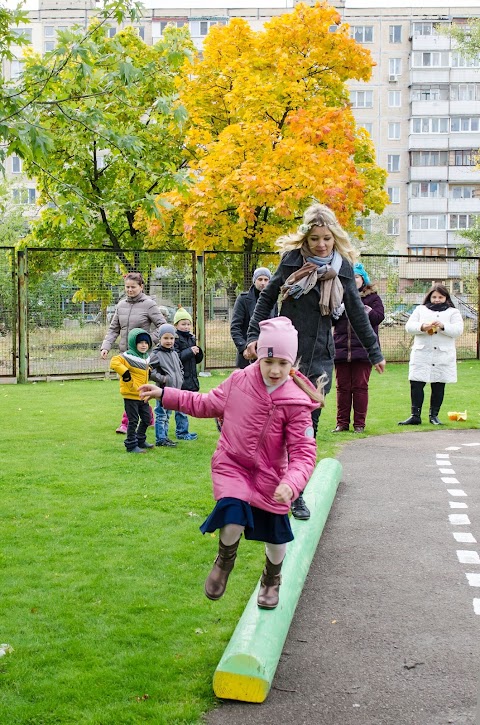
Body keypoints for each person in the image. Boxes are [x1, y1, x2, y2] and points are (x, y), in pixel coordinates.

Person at [139, 317, 324, 610]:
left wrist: (291, 483)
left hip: (271, 477)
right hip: (233, 464)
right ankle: (224, 561)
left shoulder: (296, 401)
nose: (275, 370)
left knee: (276, 539)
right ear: (259, 356)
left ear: (293, 364)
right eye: (269, 361)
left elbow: (303, 452)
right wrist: (166, 394)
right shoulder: (239, 381)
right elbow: (206, 404)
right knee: (232, 514)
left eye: (283, 364)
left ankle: (271, 578)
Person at [245, 203, 385, 521]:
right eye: (314, 239)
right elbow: (267, 298)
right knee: (275, 425)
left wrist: (375, 352)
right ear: (305, 241)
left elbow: (355, 311)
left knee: (308, 428)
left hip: (320, 359)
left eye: (326, 238)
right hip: (285, 352)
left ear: (334, 237)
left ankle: (297, 494)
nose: (321, 245)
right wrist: (254, 335)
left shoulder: (344, 267)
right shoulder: (292, 260)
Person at [100, 272, 166, 434]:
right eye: (127, 287)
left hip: (141, 357)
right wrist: (106, 346)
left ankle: (126, 422)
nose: (129, 290)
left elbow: (162, 326)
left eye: (133, 287)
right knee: (136, 389)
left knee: (133, 389)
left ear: (141, 287)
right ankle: (149, 417)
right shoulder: (121, 305)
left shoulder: (149, 304)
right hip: (125, 355)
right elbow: (114, 328)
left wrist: (148, 340)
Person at [398, 284, 463, 426]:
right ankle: (415, 415)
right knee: (416, 383)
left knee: (438, 385)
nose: (437, 299)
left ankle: (434, 416)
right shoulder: (420, 309)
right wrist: (422, 327)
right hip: (422, 353)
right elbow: (409, 326)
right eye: (434, 297)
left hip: (442, 355)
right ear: (429, 297)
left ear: (446, 298)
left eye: (440, 297)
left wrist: (443, 326)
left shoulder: (453, 312)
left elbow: (458, 330)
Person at [332, 262, 385, 433]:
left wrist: (362, 308)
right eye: (350, 277)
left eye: (356, 277)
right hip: (340, 349)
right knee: (342, 388)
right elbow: (329, 321)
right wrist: (335, 312)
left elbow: (378, 317)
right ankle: (341, 423)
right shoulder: (337, 296)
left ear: (363, 279)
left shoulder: (373, 298)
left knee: (360, 387)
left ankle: (359, 425)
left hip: (363, 350)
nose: (353, 280)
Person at [110, 328, 154, 454]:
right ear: (134, 343)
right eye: (140, 342)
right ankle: (131, 445)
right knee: (133, 420)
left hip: (142, 394)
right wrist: (126, 373)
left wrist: (149, 371)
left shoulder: (146, 357)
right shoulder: (127, 356)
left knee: (147, 418)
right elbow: (114, 362)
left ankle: (140, 439)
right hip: (131, 394)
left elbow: (142, 370)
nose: (144, 345)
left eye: (146, 342)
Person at [230, 267, 278, 369]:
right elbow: (235, 327)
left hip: (268, 352)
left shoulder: (273, 301)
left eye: (266, 280)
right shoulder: (243, 299)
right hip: (248, 353)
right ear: (254, 281)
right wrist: (243, 348)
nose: (263, 283)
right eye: (260, 279)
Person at [149, 323, 184, 448]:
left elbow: (179, 367)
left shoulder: (174, 353)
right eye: (166, 338)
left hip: (174, 390)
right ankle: (160, 438)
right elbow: (149, 370)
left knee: (168, 414)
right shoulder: (156, 354)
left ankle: (165, 437)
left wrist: (180, 377)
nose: (169, 341)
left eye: (171, 338)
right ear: (160, 339)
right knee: (161, 414)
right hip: (162, 390)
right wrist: (163, 379)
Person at [173, 307, 203, 440]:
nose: (186, 327)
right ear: (176, 325)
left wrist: (198, 353)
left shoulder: (191, 338)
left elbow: (195, 361)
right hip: (180, 379)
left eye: (188, 324)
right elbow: (176, 357)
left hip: (190, 378)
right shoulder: (175, 339)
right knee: (181, 408)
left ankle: (184, 431)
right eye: (183, 324)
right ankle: (182, 432)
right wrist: (190, 351)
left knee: (186, 407)